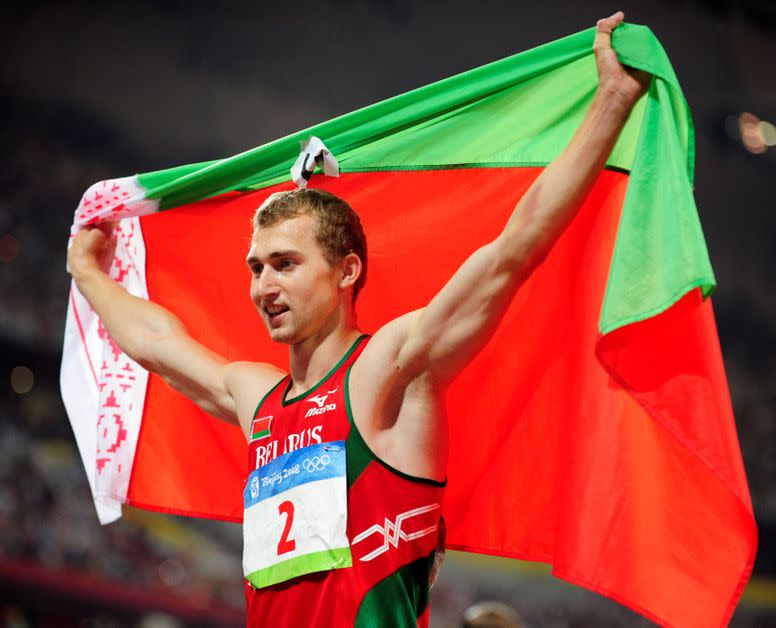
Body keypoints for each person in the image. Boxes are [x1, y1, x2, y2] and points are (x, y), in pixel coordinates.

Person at [67, 12, 647, 627]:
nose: (264, 285)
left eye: (285, 264)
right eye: (256, 267)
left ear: (346, 272)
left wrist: (611, 100)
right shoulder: (257, 398)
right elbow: (157, 343)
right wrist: (89, 275)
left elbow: (512, 252)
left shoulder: (389, 371)